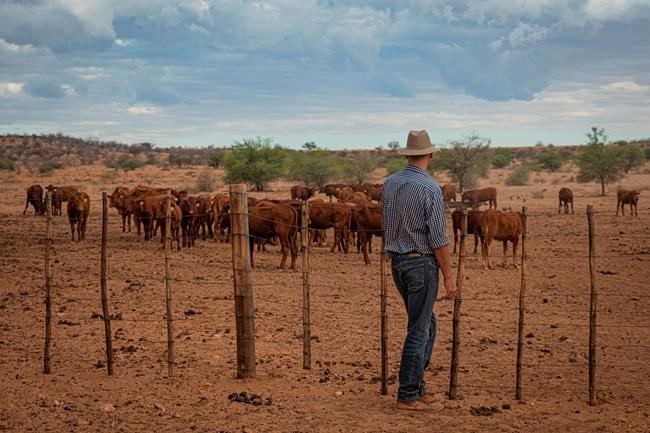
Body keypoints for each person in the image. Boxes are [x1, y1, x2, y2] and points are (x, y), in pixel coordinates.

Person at [382, 129, 457, 411]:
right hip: (421, 263)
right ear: (431, 154)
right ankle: (408, 394)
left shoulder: (390, 184)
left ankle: (417, 385)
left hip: (398, 263)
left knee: (426, 323)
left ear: (408, 155)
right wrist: (448, 276)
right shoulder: (430, 189)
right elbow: (438, 238)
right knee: (419, 328)